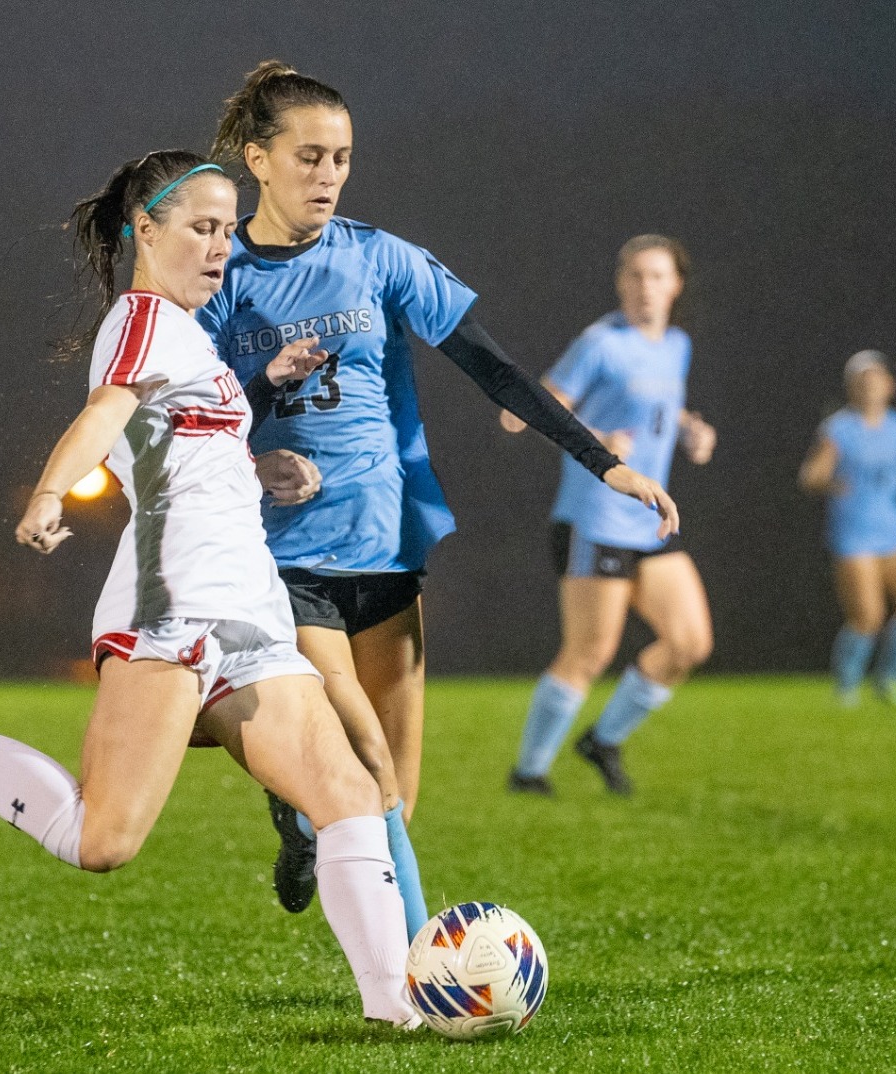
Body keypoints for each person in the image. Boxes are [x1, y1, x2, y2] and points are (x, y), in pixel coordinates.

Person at [0, 149, 419, 1028]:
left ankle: (400, 1015)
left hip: (251, 611)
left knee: (347, 799)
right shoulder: (142, 316)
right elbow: (105, 415)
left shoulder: (194, 341)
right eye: (201, 227)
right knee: (100, 840)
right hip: (174, 607)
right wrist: (46, 491)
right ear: (145, 230)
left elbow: (171, 451)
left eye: (228, 229)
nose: (221, 246)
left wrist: (261, 469)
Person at [198, 61, 680, 929]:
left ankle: (305, 815)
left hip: (385, 545)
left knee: (397, 803)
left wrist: (601, 460)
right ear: (256, 160)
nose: (329, 176)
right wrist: (257, 433)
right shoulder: (218, 272)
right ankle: (424, 968)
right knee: (371, 764)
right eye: (309, 157)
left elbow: (493, 369)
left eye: (341, 157)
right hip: (281, 557)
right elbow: (184, 416)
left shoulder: (381, 258)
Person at [502, 235, 716, 797]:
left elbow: (656, 407)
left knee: (689, 643)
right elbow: (525, 412)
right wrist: (596, 437)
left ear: (676, 285)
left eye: (656, 276)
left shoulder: (676, 345)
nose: (645, 287)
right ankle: (529, 773)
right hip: (594, 517)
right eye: (635, 276)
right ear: (620, 283)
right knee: (590, 653)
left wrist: (690, 429)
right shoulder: (599, 343)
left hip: (649, 519)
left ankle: (603, 739)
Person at [797, 349, 896, 707]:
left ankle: (888, 679)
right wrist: (830, 482)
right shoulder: (839, 429)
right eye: (863, 381)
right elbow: (811, 476)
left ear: (890, 385)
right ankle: (847, 685)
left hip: (895, 532)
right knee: (867, 616)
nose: (870, 386)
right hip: (854, 533)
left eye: (876, 379)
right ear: (851, 388)